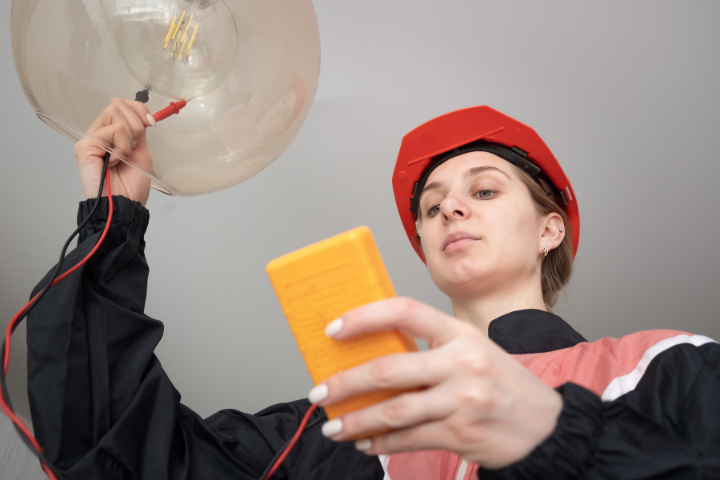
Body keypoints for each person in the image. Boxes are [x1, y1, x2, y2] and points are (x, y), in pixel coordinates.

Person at [26, 100, 720, 480]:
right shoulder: (349, 434)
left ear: (550, 229)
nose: (450, 209)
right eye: (432, 207)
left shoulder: (668, 364)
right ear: (422, 247)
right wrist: (113, 223)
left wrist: (553, 436)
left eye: (482, 189)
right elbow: (122, 458)